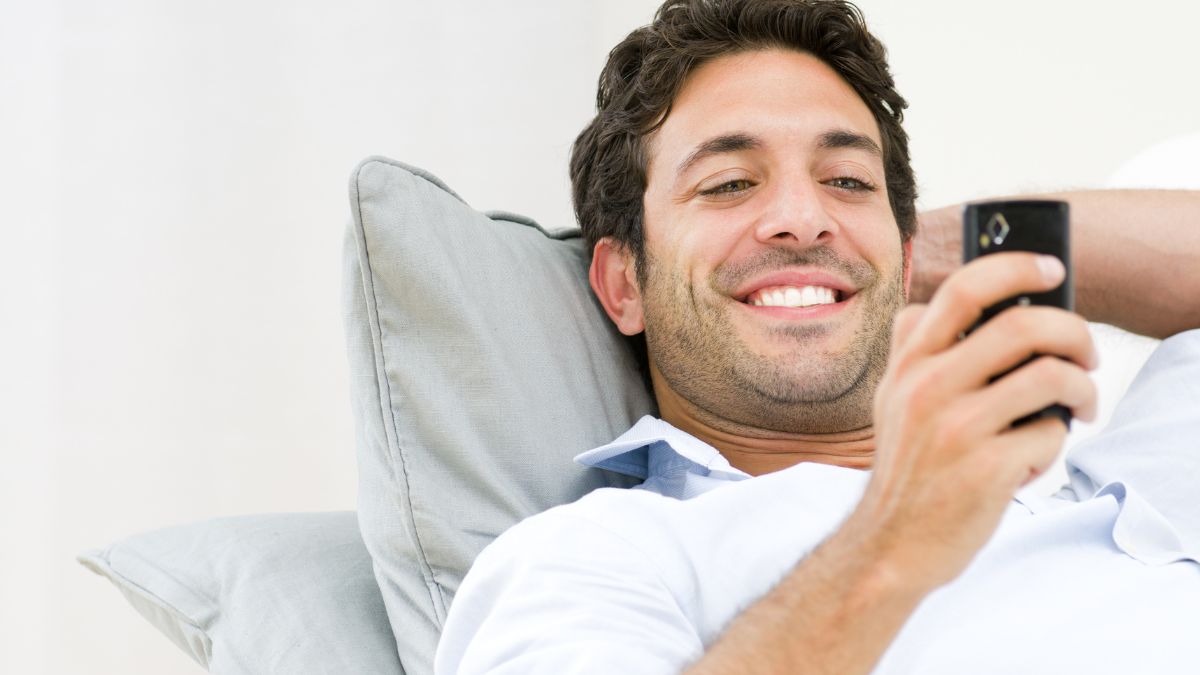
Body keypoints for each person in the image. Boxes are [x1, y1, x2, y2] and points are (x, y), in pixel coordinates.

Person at [435, 1, 1200, 673]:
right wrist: (898, 534)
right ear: (625, 283)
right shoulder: (593, 556)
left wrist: (888, 255)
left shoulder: (1114, 495)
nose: (804, 215)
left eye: (847, 180)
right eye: (731, 183)